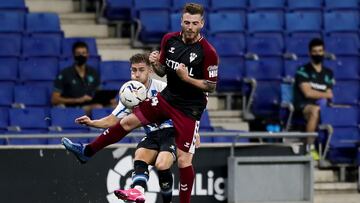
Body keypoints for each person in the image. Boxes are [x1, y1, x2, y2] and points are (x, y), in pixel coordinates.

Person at [62, 3, 218, 203]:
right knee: (127, 121)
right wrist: (156, 63)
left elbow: (210, 86)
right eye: (186, 22)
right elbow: (162, 71)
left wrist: (187, 78)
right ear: (181, 21)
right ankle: (87, 152)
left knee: (183, 159)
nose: (189, 27)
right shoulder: (169, 40)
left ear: (201, 24)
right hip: (168, 98)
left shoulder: (208, 52)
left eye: (194, 23)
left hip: (189, 109)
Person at [63, 53, 176, 203]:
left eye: (141, 70)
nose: (136, 74)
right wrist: (92, 122)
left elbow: (185, 111)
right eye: (133, 70)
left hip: (173, 133)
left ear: (150, 70)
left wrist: (193, 133)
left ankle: (88, 151)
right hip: (152, 136)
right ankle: (137, 191)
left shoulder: (163, 88)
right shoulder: (130, 94)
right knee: (140, 155)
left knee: (162, 165)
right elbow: (112, 120)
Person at [293, 38, 335, 159]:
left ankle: (332, 149)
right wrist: (324, 94)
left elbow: (330, 95)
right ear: (310, 53)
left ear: (324, 52)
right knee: (315, 110)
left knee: (343, 110)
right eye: (315, 51)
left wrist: (322, 95)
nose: (318, 54)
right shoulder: (303, 71)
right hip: (303, 106)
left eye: (320, 51)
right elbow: (307, 93)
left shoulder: (328, 73)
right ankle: (308, 148)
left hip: (323, 106)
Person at [51, 41, 101, 112]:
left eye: (83, 53)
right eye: (78, 53)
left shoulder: (93, 72)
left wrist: (107, 100)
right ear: (74, 55)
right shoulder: (65, 73)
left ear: (87, 55)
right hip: (71, 109)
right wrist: (78, 100)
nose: (81, 56)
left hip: (89, 106)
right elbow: (54, 99)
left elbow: (99, 94)